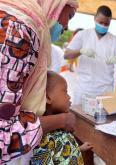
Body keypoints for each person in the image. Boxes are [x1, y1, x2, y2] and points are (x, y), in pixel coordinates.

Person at [0, 0, 78, 164]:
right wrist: (61, 120)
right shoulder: (18, 31)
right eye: (69, 16)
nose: (65, 26)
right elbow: (3, 136)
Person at [64, 5, 116, 104]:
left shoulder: (114, 40)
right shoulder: (83, 35)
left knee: (105, 118)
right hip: (84, 89)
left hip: (106, 91)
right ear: (95, 18)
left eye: (106, 24)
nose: (103, 25)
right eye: (101, 22)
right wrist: (80, 51)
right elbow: (66, 55)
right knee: (80, 117)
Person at [31, 71, 92, 165]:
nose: (69, 97)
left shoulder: (59, 126)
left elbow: (60, 154)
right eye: (65, 91)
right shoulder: (43, 140)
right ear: (47, 97)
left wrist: (78, 149)